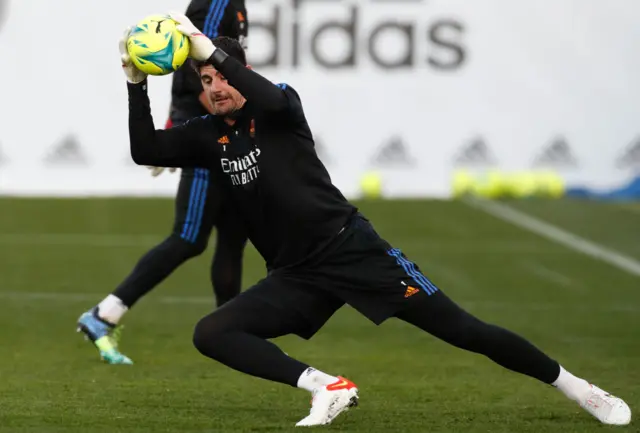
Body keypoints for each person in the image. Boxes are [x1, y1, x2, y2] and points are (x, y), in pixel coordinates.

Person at [121, 12, 632, 427]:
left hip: (353, 251)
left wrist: (208, 49)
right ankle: (327, 387)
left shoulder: (279, 105)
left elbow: (270, 95)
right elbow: (145, 150)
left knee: (465, 331)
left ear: (240, 71)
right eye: (207, 82)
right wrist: (134, 82)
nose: (217, 87)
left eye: (223, 75)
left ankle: (578, 388)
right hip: (296, 274)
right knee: (212, 332)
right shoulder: (208, 134)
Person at [76, 0, 249, 365]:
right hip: (210, 134)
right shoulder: (217, 2)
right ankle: (104, 314)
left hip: (222, 131)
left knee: (235, 232)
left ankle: (235, 332)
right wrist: (191, 124)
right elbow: (197, 62)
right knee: (188, 237)